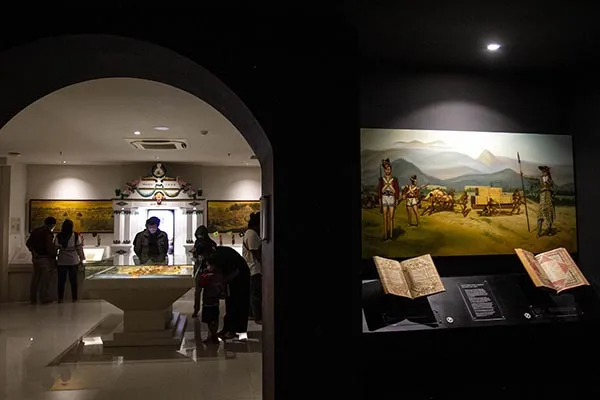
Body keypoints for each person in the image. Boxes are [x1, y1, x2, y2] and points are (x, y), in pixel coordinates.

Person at [206, 246, 251, 340]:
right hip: (233, 276)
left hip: (241, 277)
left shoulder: (222, 256)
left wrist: (222, 283)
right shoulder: (214, 255)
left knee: (239, 303)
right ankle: (227, 329)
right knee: (229, 302)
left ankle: (238, 330)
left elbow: (234, 272)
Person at [26, 216, 57, 304]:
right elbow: (49, 247)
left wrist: (33, 252)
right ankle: (43, 297)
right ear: (52, 225)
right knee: (44, 279)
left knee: (35, 278)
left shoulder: (35, 231)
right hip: (45, 258)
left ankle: (33, 298)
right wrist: (54, 254)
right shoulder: (48, 233)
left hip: (36, 258)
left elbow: (28, 243)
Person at [54, 219, 85, 303]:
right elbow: (79, 248)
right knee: (73, 281)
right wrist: (82, 259)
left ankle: (60, 298)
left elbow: (55, 248)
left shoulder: (59, 236)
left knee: (61, 281)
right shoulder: (75, 236)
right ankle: (74, 298)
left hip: (62, 260)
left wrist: (54, 258)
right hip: (73, 260)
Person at [191, 225, 217, 318]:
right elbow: (195, 253)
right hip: (199, 269)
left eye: (201, 235)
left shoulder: (211, 244)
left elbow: (214, 255)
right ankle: (196, 309)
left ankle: (206, 310)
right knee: (197, 291)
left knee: (208, 292)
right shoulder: (197, 242)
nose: (200, 237)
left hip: (208, 269)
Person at [196, 262, 224, 343]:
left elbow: (200, 283)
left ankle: (213, 334)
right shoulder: (219, 275)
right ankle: (213, 334)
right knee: (214, 318)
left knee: (209, 319)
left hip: (208, 300)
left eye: (209, 265)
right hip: (215, 300)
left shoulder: (207, 276)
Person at [243, 212, 262, 324]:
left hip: (252, 268)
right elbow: (255, 251)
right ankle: (257, 316)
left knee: (252, 293)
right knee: (255, 293)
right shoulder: (252, 234)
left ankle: (251, 314)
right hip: (254, 268)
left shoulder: (250, 233)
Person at [377, 158, 400, 240]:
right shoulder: (381, 179)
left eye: (389, 169)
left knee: (391, 217)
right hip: (384, 197)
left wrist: (396, 199)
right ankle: (386, 235)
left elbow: (396, 190)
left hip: (391, 198)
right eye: (386, 169)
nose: (387, 171)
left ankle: (391, 235)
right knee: (385, 217)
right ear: (384, 170)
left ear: (391, 169)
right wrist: (379, 200)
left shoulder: (394, 179)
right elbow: (379, 190)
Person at [537, 165, 556, 237]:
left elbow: (554, 190)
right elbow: (531, 178)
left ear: (547, 172)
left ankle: (549, 230)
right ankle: (538, 232)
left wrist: (548, 189)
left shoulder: (550, 181)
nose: (543, 172)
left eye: (545, 171)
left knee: (549, 215)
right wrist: (523, 175)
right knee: (540, 215)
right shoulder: (540, 178)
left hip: (548, 199)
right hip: (542, 199)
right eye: (542, 171)